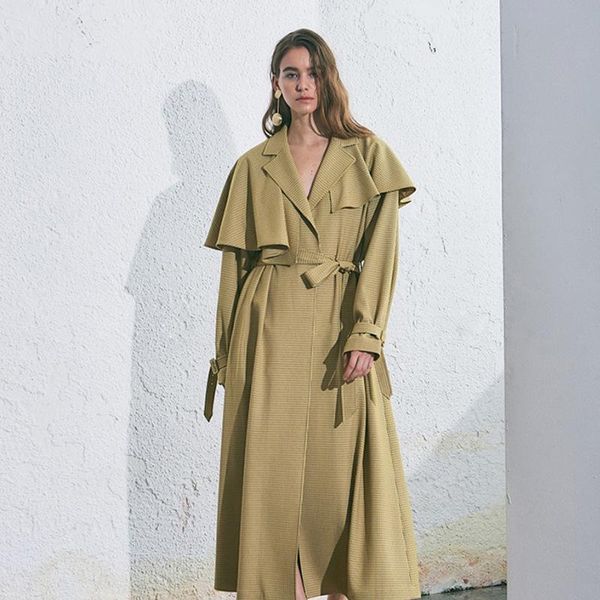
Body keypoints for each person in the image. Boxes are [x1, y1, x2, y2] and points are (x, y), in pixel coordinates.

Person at [203, 28, 421, 600]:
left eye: (313, 73)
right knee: (272, 477)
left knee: (338, 474)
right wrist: (227, 355)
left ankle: (345, 584)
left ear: (329, 79)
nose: (304, 84)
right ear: (275, 84)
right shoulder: (253, 166)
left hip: (337, 327)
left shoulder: (367, 155)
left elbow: (381, 250)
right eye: (291, 74)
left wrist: (367, 333)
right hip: (267, 328)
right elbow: (234, 270)